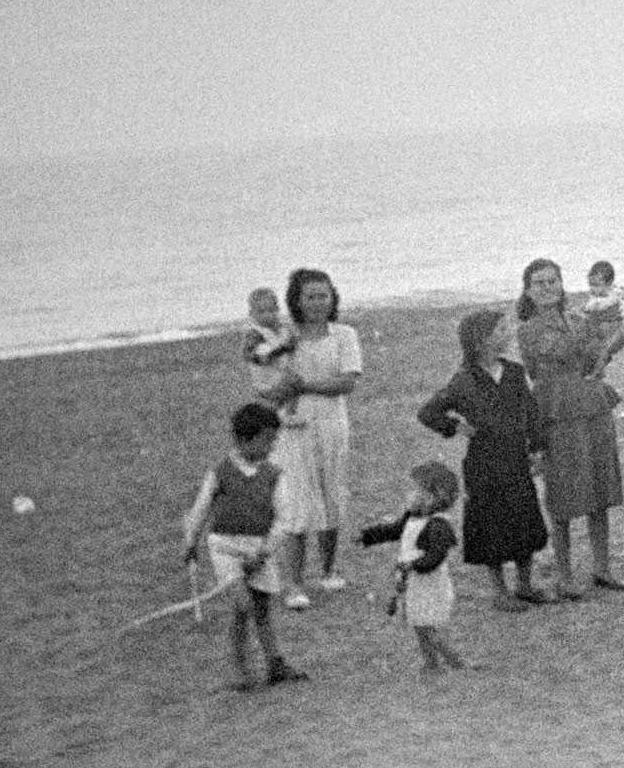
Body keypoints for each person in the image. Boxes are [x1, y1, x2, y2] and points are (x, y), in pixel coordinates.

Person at [510, 258, 624, 599]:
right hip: (556, 409)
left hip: (591, 403)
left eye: (553, 281)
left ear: (561, 285)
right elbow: (548, 361)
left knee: (599, 486)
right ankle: (564, 575)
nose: (547, 288)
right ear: (528, 291)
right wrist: (600, 335)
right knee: (562, 492)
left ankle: (602, 567)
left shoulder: (580, 318)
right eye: (539, 283)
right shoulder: (528, 329)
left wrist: (606, 346)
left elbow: (596, 356)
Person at [418, 307, 549, 610]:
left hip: (515, 456)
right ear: (480, 340)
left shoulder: (514, 372)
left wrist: (537, 448)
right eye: (500, 330)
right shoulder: (464, 380)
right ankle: (499, 592)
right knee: (491, 523)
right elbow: (428, 412)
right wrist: (455, 426)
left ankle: (525, 584)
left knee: (523, 515)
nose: (507, 334)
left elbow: (531, 412)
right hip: (484, 461)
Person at [180, 401, 308, 692]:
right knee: (242, 605)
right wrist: (190, 542)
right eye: (267, 440)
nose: (272, 447)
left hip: (259, 549)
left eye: (274, 440)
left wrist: (264, 552)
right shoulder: (220, 472)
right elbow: (200, 509)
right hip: (225, 548)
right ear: (242, 439)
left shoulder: (274, 475)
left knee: (261, 608)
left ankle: (275, 663)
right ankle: (239, 668)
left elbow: (284, 520)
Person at [266, 267, 364, 608]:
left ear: (333, 298)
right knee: (296, 501)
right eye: (310, 296)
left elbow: (347, 382)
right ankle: (294, 584)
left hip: (332, 425)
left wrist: (304, 385)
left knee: (330, 494)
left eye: (324, 295)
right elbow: (270, 387)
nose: (318, 303)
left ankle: (328, 570)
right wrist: (284, 386)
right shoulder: (286, 338)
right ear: (297, 300)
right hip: (294, 427)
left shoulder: (344, 335)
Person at [360, 461, 469, 675]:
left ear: (433, 497)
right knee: (419, 624)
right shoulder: (412, 518)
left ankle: (456, 662)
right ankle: (432, 664)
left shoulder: (438, 525)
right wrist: (368, 536)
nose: (411, 495)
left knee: (429, 627)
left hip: (429, 584)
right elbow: (394, 530)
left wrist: (414, 565)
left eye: (417, 490)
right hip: (414, 582)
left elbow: (436, 557)